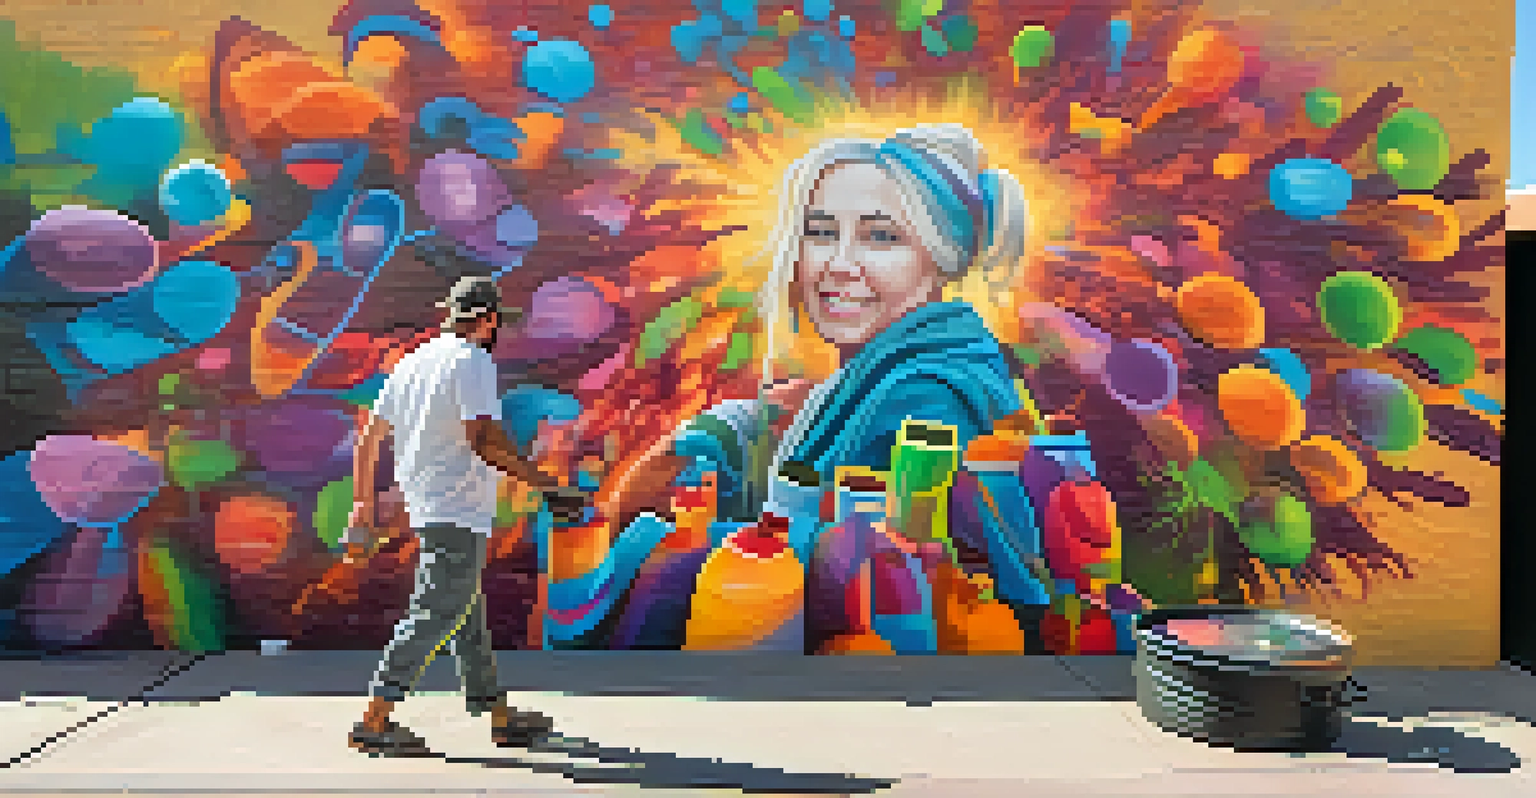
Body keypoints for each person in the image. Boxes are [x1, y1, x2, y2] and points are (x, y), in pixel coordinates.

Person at [602, 124, 1034, 651]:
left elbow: (859, 567)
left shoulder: (927, 398)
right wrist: (741, 425)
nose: (838, 265)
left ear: (941, 259)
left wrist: (665, 542)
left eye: (881, 237)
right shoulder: (883, 370)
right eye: (821, 231)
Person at [344, 275, 577, 756]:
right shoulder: (471, 360)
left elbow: (368, 439)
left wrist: (363, 505)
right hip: (455, 507)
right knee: (435, 610)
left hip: (429, 504)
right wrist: (546, 484)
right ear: (488, 321)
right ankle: (375, 718)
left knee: (466, 616)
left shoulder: (412, 363)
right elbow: (484, 440)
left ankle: (499, 715)